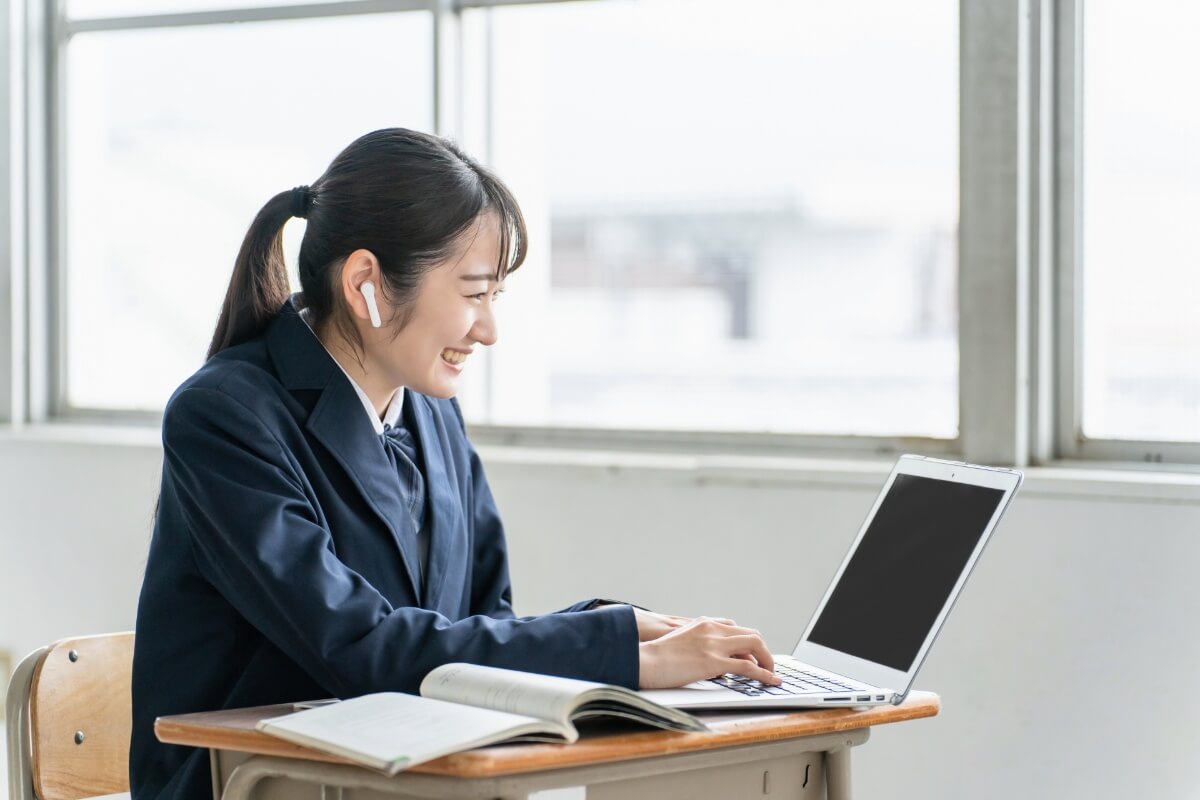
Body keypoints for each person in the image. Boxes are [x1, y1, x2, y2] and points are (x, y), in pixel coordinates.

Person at [130, 128, 778, 800]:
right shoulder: (224, 414)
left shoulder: (431, 412)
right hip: (254, 782)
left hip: (400, 775)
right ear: (365, 284)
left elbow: (479, 628)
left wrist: (629, 629)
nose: (489, 329)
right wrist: (615, 651)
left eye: (495, 297)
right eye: (473, 294)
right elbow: (358, 647)